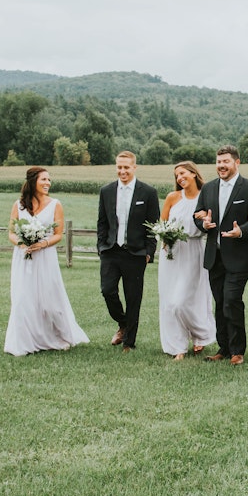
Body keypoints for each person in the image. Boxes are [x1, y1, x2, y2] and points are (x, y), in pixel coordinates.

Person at [193, 145, 248, 365]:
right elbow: (197, 216)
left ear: (237, 163)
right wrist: (203, 223)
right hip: (214, 256)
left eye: (225, 161)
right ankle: (223, 348)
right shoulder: (208, 188)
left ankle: (237, 350)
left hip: (240, 256)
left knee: (232, 300)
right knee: (220, 301)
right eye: (218, 162)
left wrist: (242, 230)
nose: (221, 166)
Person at [5, 167, 89, 356]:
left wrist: (42, 244)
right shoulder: (18, 205)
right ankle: (23, 342)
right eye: (44, 179)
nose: (47, 183)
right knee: (22, 299)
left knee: (49, 300)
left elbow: (58, 235)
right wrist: (21, 243)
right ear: (33, 181)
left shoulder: (55, 204)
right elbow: (11, 232)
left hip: (45, 257)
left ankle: (57, 336)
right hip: (23, 257)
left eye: (49, 180)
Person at [97, 151, 160, 353]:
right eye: (119, 167)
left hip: (136, 253)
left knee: (133, 297)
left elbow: (153, 225)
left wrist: (149, 251)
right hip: (111, 251)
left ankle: (129, 342)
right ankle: (122, 324)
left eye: (126, 167)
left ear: (134, 167)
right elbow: (102, 222)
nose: (122, 171)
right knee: (107, 290)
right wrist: (101, 246)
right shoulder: (106, 191)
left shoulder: (148, 192)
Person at [157, 161, 216, 360]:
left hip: (194, 251)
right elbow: (161, 223)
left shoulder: (206, 197)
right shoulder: (172, 197)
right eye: (177, 176)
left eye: (183, 173)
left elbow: (210, 223)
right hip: (171, 253)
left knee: (184, 301)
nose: (179, 178)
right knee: (169, 302)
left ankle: (201, 334)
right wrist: (164, 238)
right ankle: (178, 347)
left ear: (193, 173)